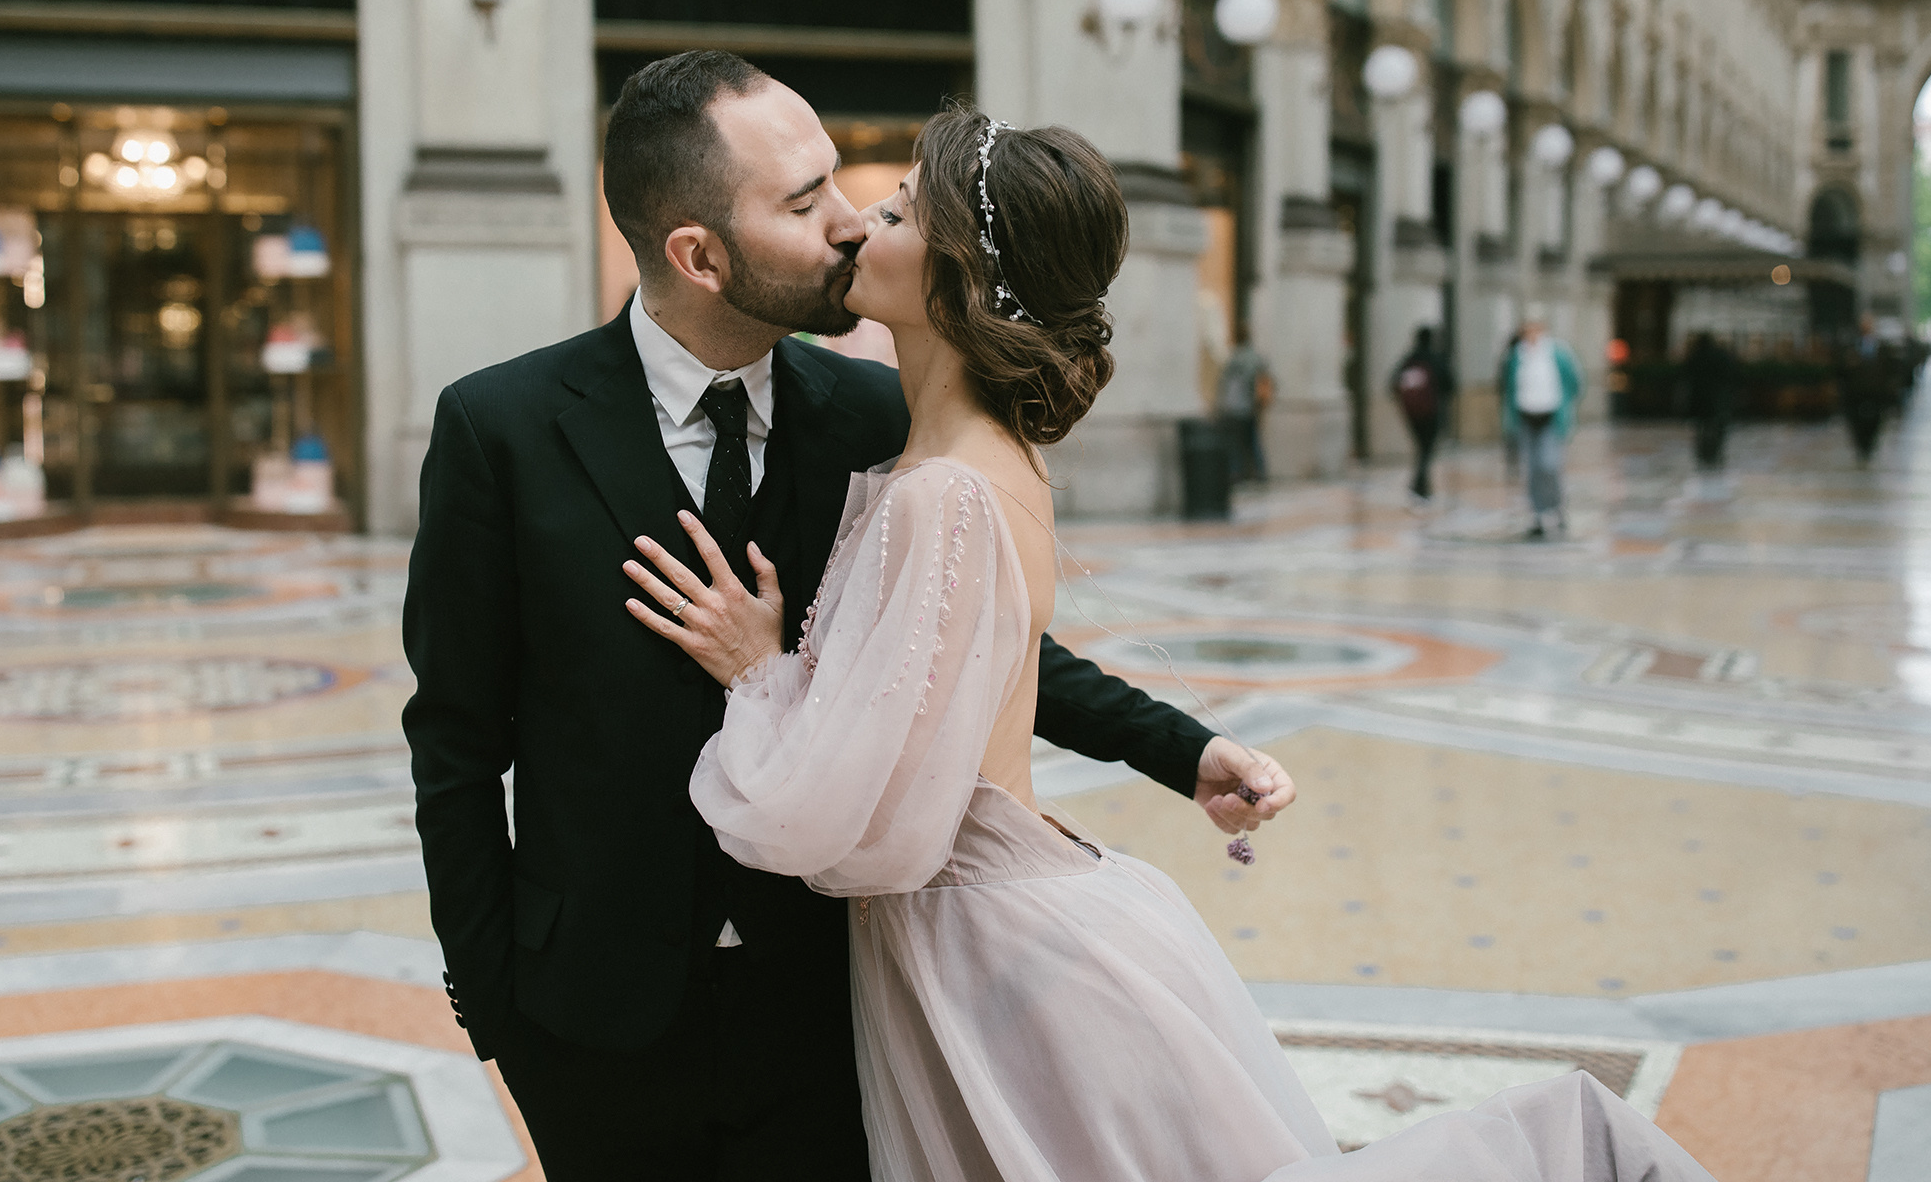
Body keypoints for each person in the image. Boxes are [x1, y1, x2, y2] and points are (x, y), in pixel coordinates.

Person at [636, 107, 1716, 1181]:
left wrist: (759, 672)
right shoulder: (972, 462)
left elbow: (843, 822)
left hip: (982, 946)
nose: (860, 222)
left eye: (901, 209)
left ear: (958, 273)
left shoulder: (943, 493)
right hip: (1003, 912)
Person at [400, 54, 1286, 1182]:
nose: (849, 225)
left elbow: (964, 638)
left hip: (834, 1005)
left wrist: (1183, 745)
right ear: (699, 254)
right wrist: (498, 1007)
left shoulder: (874, 413)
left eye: (842, 185)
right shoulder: (501, 428)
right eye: (803, 201)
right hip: (593, 1020)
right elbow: (458, 747)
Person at [1498, 314, 1581, 539]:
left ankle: (1557, 507)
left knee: (1549, 465)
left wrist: (1567, 409)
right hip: (1526, 418)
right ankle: (1538, 514)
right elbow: (1507, 387)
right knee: (1532, 468)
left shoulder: (1558, 354)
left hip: (1550, 418)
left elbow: (1574, 382)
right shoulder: (1516, 356)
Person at [1389, 325, 1455, 501]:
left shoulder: (1409, 360)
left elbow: (1393, 384)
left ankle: (1423, 487)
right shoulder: (1435, 358)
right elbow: (1450, 384)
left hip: (1412, 414)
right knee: (1426, 450)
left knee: (1422, 449)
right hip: (1432, 412)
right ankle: (1419, 486)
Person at [1215, 322, 1272, 483]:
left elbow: (1224, 384)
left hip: (1232, 407)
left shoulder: (1232, 357)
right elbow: (1262, 379)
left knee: (1235, 442)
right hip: (1248, 407)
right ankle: (1259, 471)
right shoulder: (1255, 357)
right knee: (1252, 440)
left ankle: (1236, 472)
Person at [1838, 313, 1898, 463]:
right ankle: (1861, 445)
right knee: (1855, 420)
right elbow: (1840, 369)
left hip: (1876, 392)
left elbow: (1890, 369)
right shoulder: (1850, 346)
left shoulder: (1882, 347)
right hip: (1855, 392)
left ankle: (1869, 444)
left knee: (1875, 420)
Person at [1680, 331, 1739, 468]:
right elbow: (1733, 375)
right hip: (1718, 398)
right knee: (1717, 426)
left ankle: (1704, 454)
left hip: (1700, 398)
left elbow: (1685, 376)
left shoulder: (1695, 356)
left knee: (1702, 426)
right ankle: (1715, 453)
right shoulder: (1721, 356)